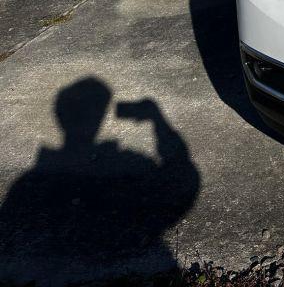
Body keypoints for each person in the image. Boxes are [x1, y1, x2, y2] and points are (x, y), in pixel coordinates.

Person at [0, 78, 200, 284]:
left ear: (60, 116)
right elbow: (183, 182)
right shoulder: (130, 163)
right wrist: (158, 120)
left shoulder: (26, 184)